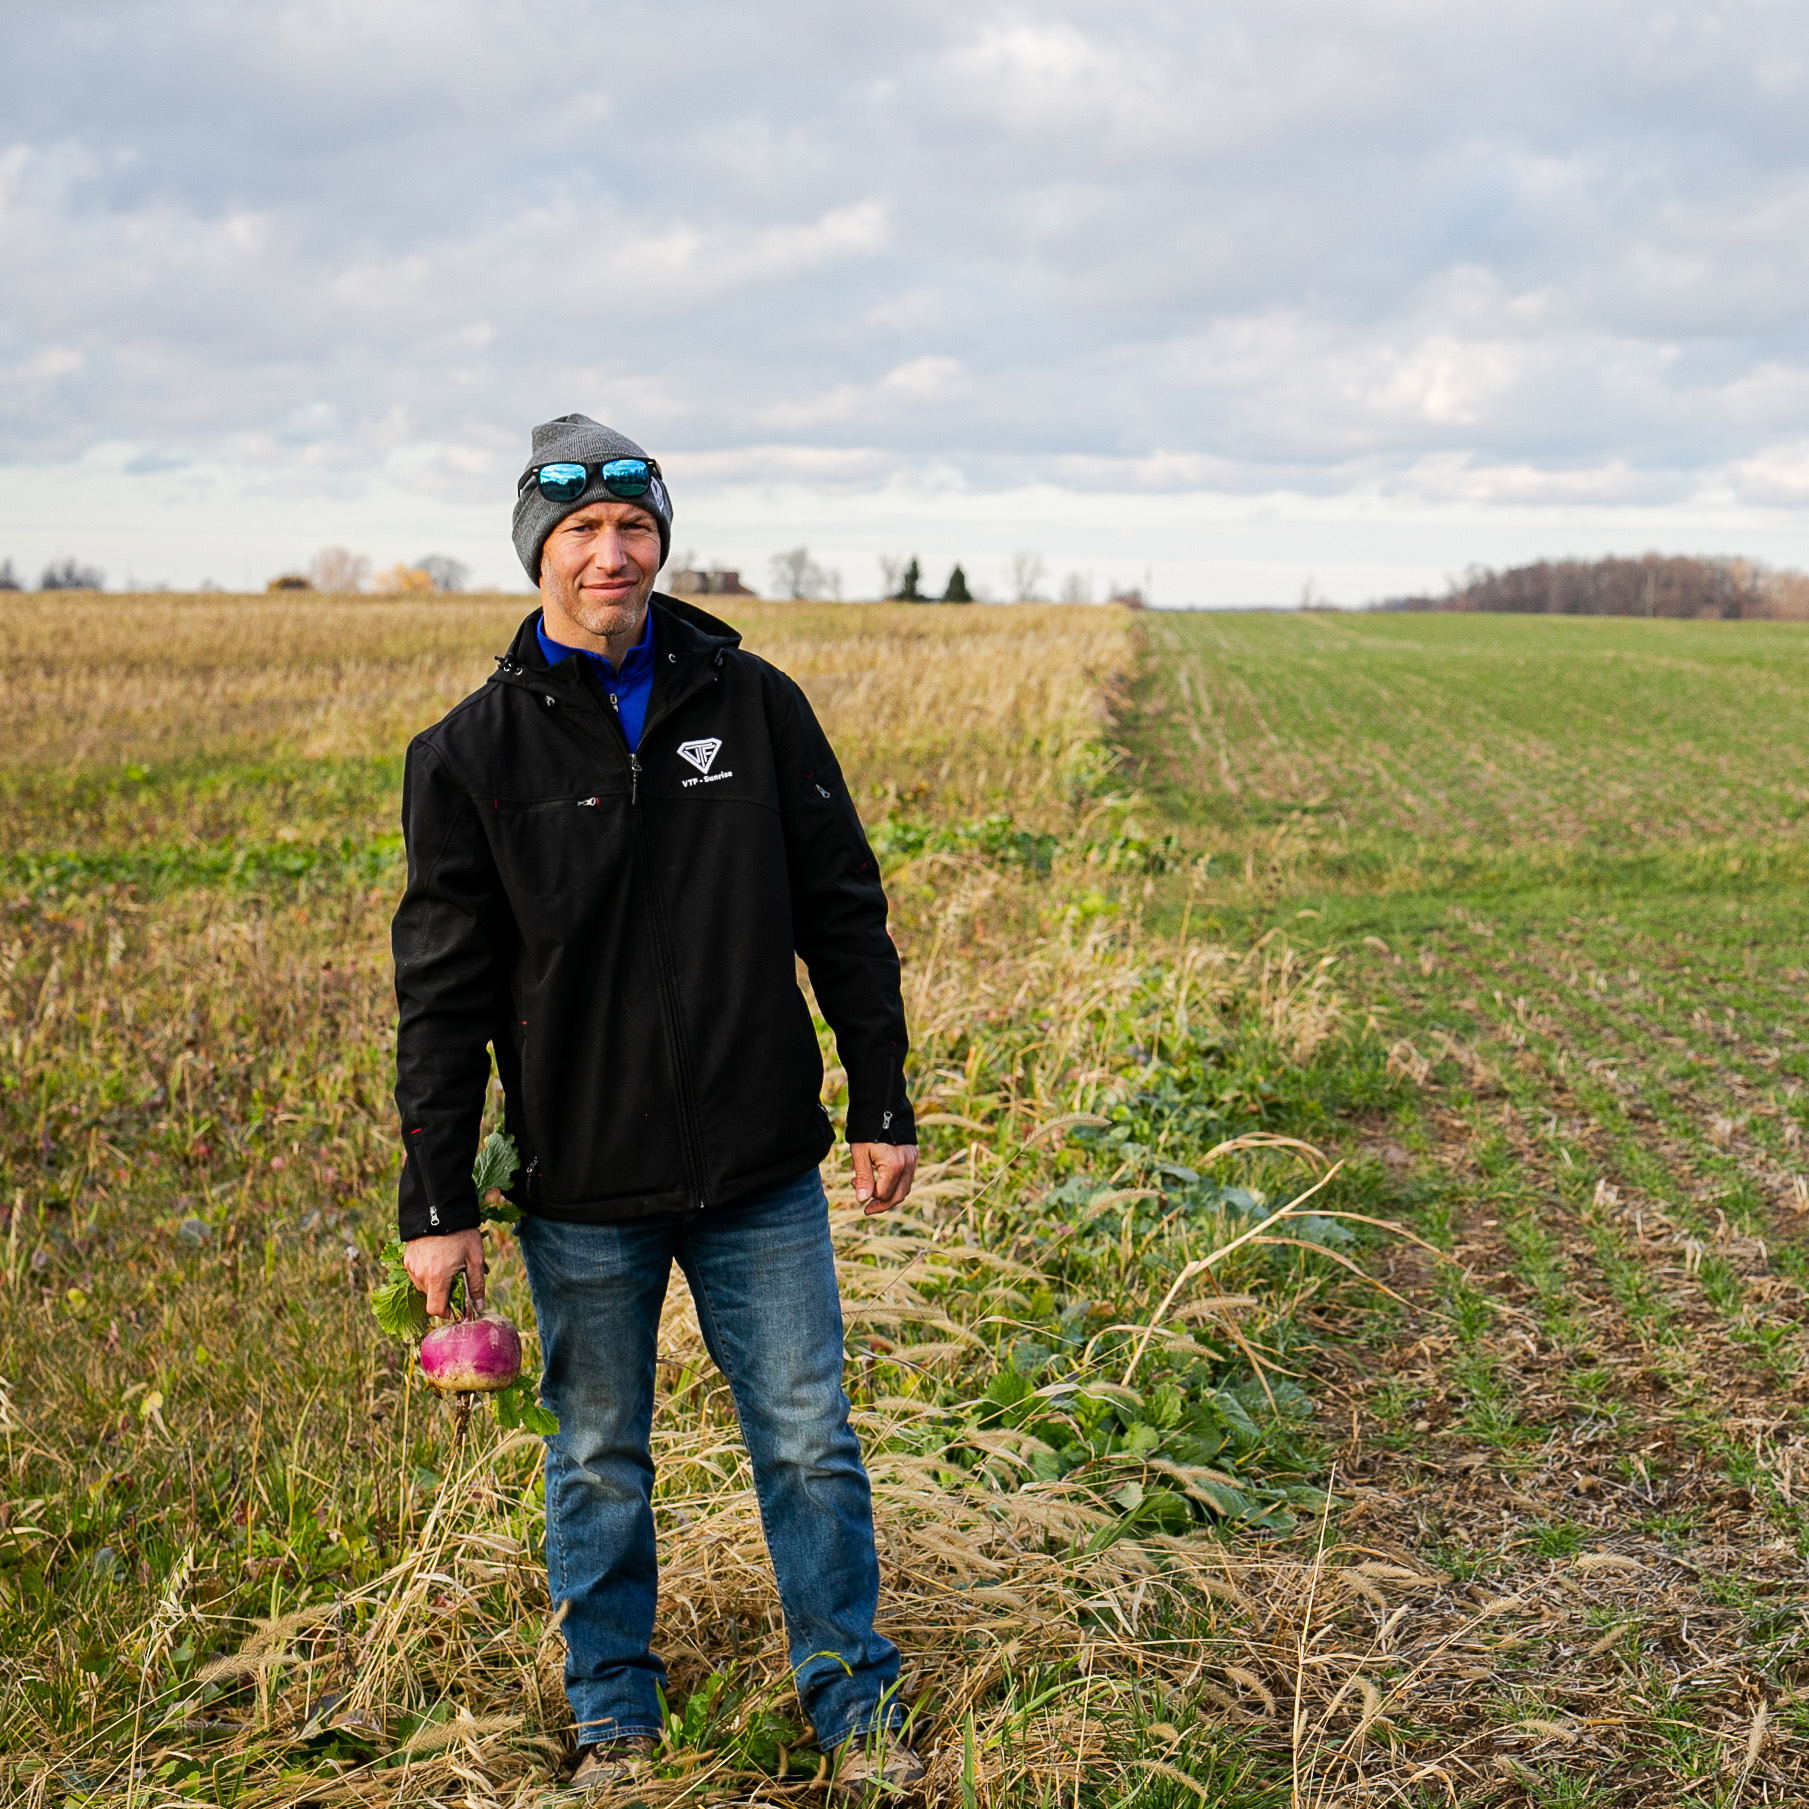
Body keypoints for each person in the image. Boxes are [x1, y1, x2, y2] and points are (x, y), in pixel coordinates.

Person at [391, 414, 925, 1799]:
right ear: (537, 553)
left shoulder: (756, 707)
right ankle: (615, 1717)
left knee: (808, 1442)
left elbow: (843, 911)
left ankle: (854, 1704)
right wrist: (437, 1200)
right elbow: (441, 995)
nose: (612, 554)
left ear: (662, 541)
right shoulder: (468, 754)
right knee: (596, 1461)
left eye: (634, 527)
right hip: (581, 1184)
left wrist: (882, 1097)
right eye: (581, 532)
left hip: (760, 1168)